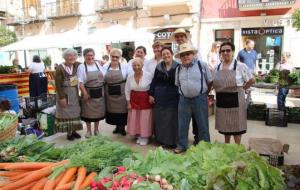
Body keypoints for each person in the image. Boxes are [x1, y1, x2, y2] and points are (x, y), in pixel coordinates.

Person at [213, 41, 255, 144]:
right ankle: (227, 146)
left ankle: (237, 149)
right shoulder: (217, 68)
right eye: (223, 51)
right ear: (220, 53)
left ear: (233, 52)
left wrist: (244, 88)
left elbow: (252, 80)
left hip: (237, 99)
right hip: (222, 100)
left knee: (237, 127)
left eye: (228, 50)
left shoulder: (241, 66)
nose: (225, 53)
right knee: (225, 125)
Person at [174, 43, 212, 153]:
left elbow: (210, 81)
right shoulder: (178, 69)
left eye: (188, 54)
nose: (185, 56)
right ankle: (182, 145)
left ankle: (205, 147)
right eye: (183, 55)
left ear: (193, 55)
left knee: (202, 124)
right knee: (182, 124)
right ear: (180, 57)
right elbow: (177, 84)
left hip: (199, 98)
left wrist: (204, 94)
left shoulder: (202, 65)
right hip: (183, 99)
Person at [171, 28, 201, 145]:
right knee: (183, 119)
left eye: (181, 36)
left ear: (186, 37)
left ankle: (198, 139)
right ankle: (183, 142)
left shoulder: (194, 48)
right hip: (183, 88)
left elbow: (200, 68)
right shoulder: (177, 50)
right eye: (177, 37)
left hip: (196, 89)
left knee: (198, 119)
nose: (179, 38)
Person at [149, 47, 179, 148]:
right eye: (164, 54)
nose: (166, 55)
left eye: (168, 53)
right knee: (161, 119)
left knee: (172, 119)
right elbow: (154, 81)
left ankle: (173, 141)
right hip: (160, 97)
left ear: (172, 54)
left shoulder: (178, 66)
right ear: (161, 56)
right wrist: (151, 94)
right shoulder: (158, 67)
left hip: (173, 97)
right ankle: (161, 140)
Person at [54, 48, 82, 141]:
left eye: (74, 55)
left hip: (74, 93)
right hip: (64, 92)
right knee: (65, 112)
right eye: (69, 56)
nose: (72, 57)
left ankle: (74, 130)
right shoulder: (60, 68)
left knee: (74, 111)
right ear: (65, 57)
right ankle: (69, 132)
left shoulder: (77, 65)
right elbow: (58, 84)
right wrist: (62, 97)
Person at [78, 48, 106, 138]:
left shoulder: (98, 64)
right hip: (88, 92)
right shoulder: (81, 67)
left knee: (98, 112)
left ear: (94, 56)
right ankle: (89, 131)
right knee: (88, 113)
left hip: (99, 92)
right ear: (84, 56)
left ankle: (96, 130)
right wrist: (85, 93)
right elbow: (80, 82)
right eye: (88, 55)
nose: (90, 57)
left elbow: (104, 75)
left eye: (91, 55)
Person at [125, 58, 153, 146]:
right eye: (134, 65)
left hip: (145, 99)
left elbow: (153, 87)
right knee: (135, 118)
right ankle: (138, 135)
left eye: (138, 65)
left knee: (144, 119)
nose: (136, 67)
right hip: (134, 99)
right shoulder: (130, 77)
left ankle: (145, 136)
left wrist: (152, 96)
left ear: (142, 66)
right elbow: (127, 90)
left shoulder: (148, 75)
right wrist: (128, 103)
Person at [104, 48, 129, 136]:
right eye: (113, 56)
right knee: (113, 111)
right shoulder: (105, 66)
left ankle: (122, 128)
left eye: (116, 57)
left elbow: (128, 79)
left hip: (121, 92)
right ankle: (117, 127)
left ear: (120, 57)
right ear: (110, 56)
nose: (114, 58)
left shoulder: (124, 66)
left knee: (122, 111)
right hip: (109, 92)